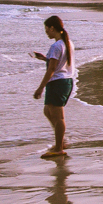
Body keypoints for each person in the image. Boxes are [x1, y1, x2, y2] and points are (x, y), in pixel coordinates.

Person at [32, 15, 75, 158]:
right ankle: (60, 141)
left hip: (58, 82)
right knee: (48, 110)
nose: (46, 32)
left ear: (52, 28)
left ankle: (59, 147)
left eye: (46, 29)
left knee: (59, 117)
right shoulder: (66, 43)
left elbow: (51, 70)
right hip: (65, 81)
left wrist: (40, 88)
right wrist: (44, 58)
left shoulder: (56, 46)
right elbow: (58, 63)